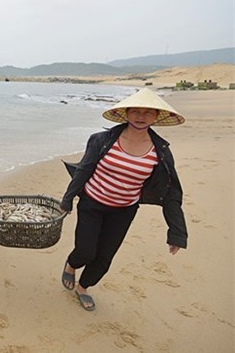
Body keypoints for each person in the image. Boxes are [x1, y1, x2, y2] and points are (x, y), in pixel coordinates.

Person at [59, 88, 188, 311]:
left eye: (148, 112)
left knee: (104, 258)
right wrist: (68, 199)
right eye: (136, 111)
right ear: (126, 113)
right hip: (92, 204)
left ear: (156, 117)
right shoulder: (102, 140)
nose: (141, 116)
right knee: (85, 251)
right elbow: (84, 169)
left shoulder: (161, 152)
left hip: (124, 210)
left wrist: (177, 232)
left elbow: (172, 193)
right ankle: (71, 265)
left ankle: (83, 287)